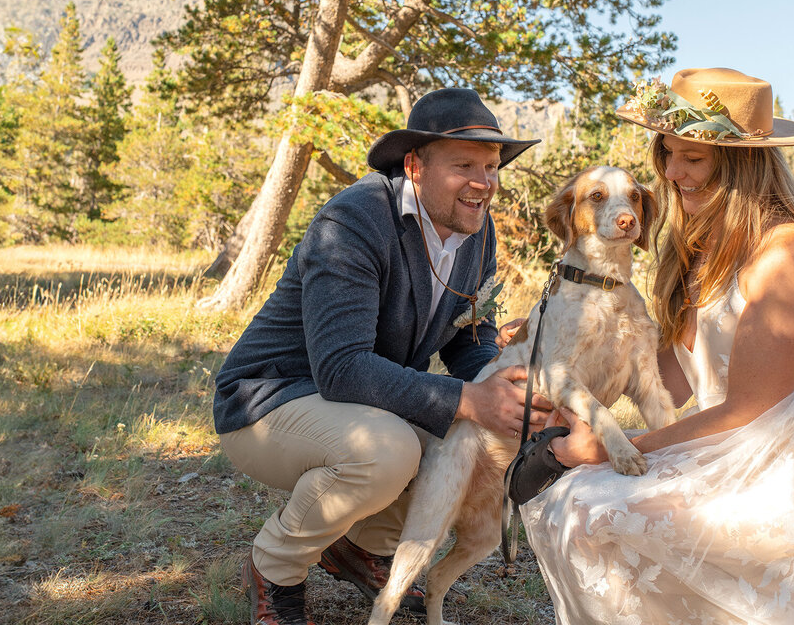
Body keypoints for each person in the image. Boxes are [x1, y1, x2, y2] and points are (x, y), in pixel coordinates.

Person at [521, 68, 794, 624]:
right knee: (573, 493)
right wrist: (560, 394)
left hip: (786, 466)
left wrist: (617, 446)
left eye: (693, 158)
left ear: (742, 162)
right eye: (667, 153)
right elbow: (673, 377)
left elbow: (747, 408)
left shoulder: (791, 255)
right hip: (728, 447)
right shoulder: (704, 241)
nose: (672, 172)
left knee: (593, 511)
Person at [213, 87, 551, 625]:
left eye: (491, 167)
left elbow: (468, 334)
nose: (484, 183)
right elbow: (342, 366)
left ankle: (357, 548)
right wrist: (468, 397)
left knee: (463, 439)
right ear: (415, 165)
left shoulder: (476, 228)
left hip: (359, 402)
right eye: (464, 164)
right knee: (389, 450)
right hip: (268, 400)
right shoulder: (353, 222)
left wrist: (505, 386)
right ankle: (274, 567)